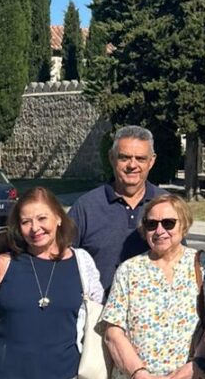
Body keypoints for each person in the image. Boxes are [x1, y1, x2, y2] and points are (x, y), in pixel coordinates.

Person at [0, 187, 104, 379]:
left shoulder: (82, 263)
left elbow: (95, 314)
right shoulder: (3, 264)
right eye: (26, 221)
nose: (35, 228)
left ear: (58, 218)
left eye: (42, 218)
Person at [100, 194, 205, 379]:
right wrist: (141, 377)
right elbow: (113, 332)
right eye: (151, 224)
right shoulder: (129, 270)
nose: (160, 230)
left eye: (168, 223)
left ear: (184, 225)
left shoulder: (202, 265)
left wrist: (195, 366)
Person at [70, 125, 165, 292]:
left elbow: (181, 259)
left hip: (155, 312)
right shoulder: (86, 208)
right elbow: (63, 260)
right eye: (124, 158)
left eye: (140, 158)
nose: (132, 165)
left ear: (152, 161)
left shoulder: (167, 205)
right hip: (99, 311)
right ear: (111, 158)